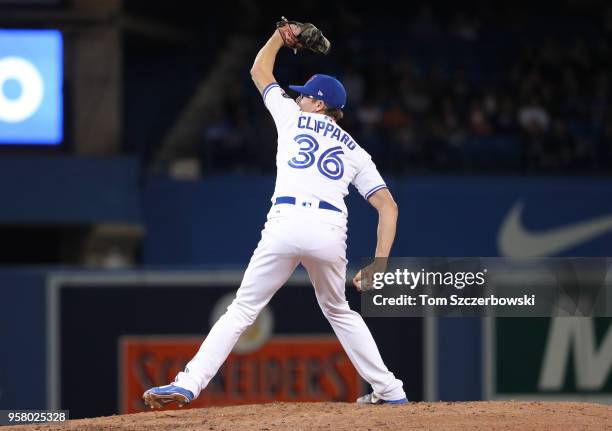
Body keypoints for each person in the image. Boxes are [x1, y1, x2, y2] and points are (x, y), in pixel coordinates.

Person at [143, 26, 408, 408]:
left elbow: (258, 71)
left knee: (243, 308)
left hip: (285, 222)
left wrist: (279, 37)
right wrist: (381, 260)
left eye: (304, 97)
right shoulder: (356, 151)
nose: (297, 100)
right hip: (329, 230)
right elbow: (388, 206)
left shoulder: (290, 117)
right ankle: (391, 390)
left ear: (319, 104)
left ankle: (188, 384)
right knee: (339, 310)